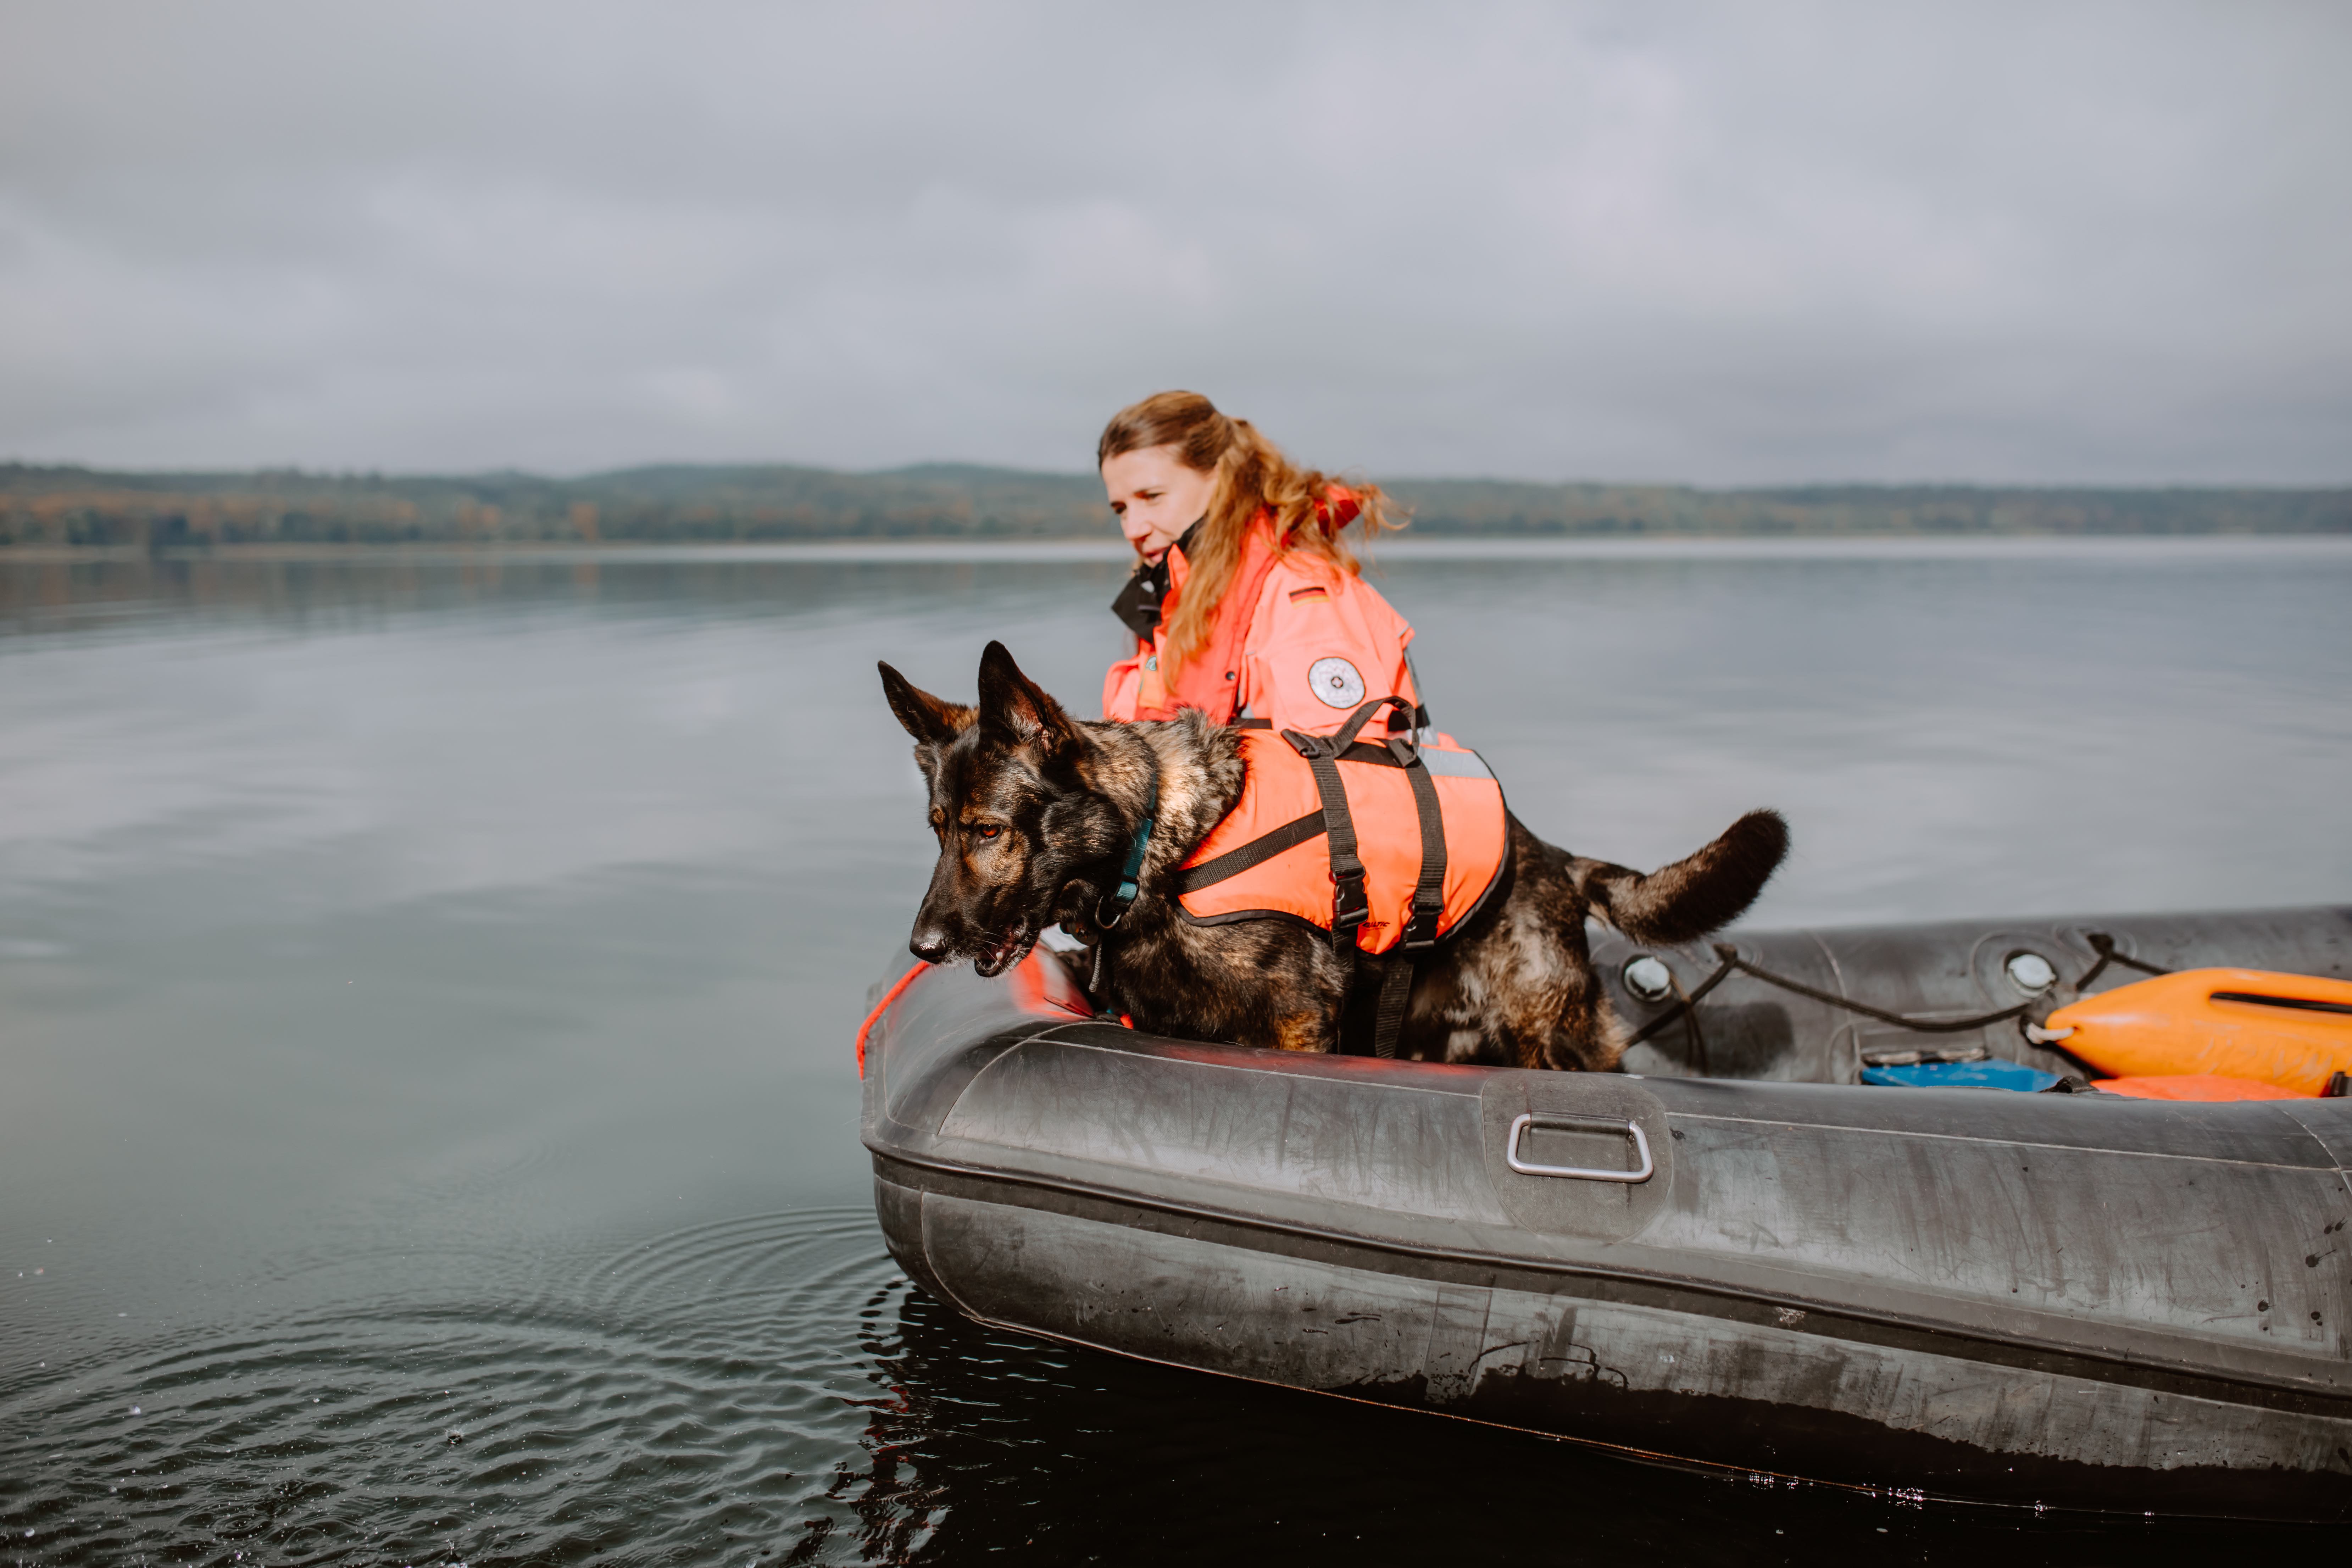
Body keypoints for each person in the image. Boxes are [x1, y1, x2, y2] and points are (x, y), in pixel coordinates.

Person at [1098, 390, 1428, 738]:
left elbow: (1344, 781)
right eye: (1121, 510)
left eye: (1152, 497)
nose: (1133, 529)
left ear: (1222, 478)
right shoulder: (1166, 607)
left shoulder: (1301, 594)